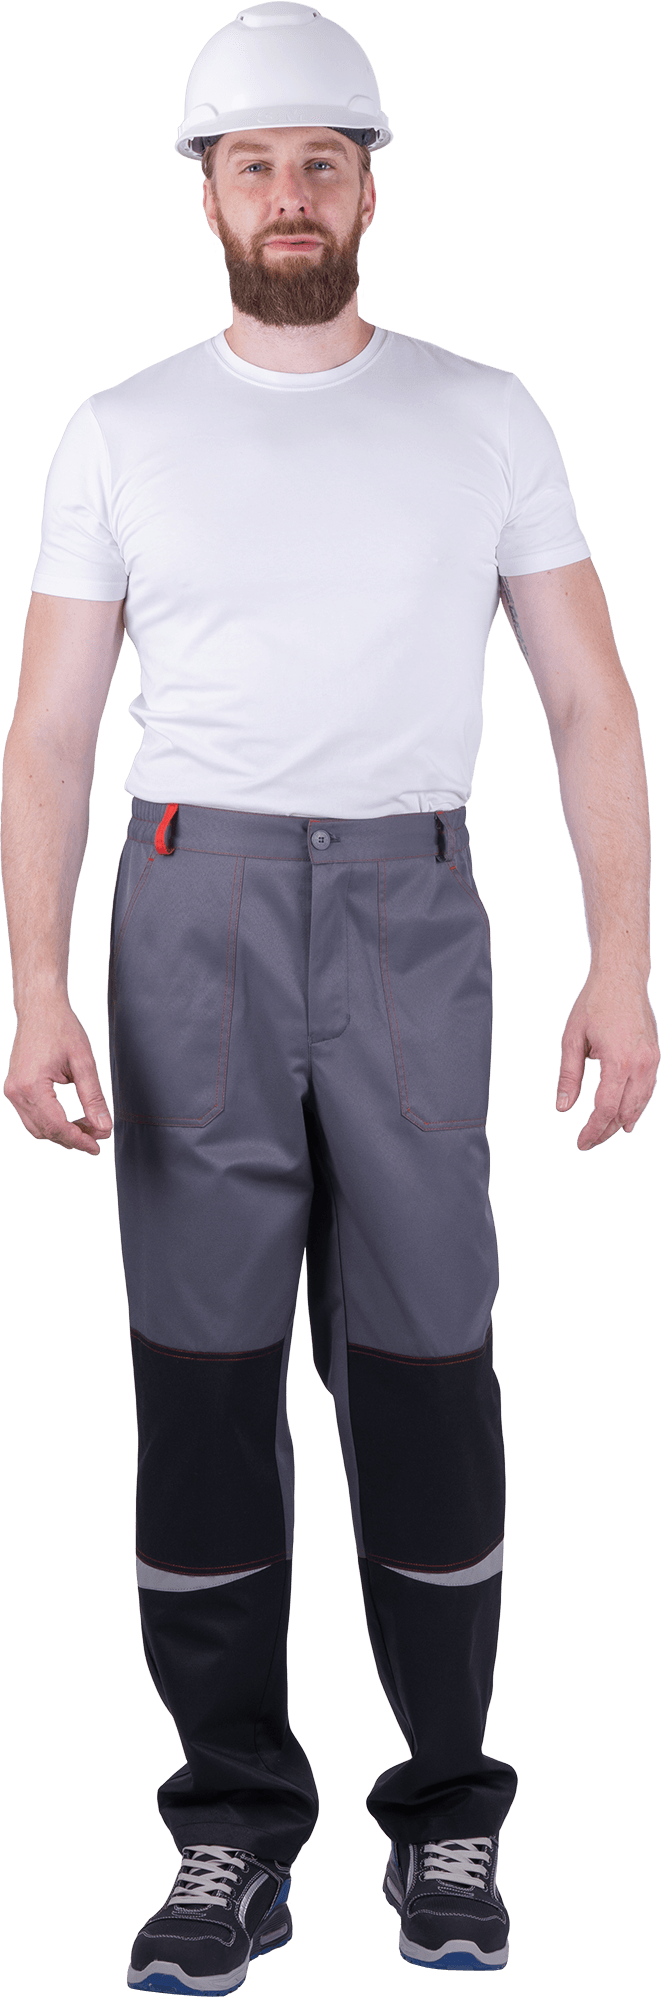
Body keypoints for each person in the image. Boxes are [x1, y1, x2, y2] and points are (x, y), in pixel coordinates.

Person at [2, 4, 657, 1989]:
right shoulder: (122, 430)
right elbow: (50, 731)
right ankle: (229, 1827)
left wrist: (624, 964)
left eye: (322, 162)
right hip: (186, 904)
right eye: (251, 163)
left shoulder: (484, 413)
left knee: (431, 1354)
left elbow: (588, 700)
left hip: (407, 906)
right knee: (202, 1372)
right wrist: (35, 988)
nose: (288, 194)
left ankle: (449, 1811)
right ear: (205, 193)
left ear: (369, 187)